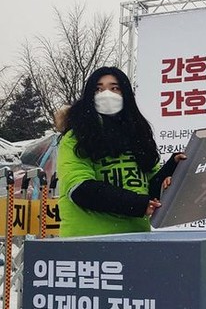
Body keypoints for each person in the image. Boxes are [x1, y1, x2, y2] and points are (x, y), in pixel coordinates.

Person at [57, 66, 184, 237]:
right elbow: (80, 190)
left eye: (114, 88)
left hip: (136, 238)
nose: (106, 94)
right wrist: (138, 204)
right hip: (89, 241)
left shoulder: (138, 135)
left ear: (126, 95)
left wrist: (172, 168)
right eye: (98, 89)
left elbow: (149, 191)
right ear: (89, 97)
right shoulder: (76, 138)